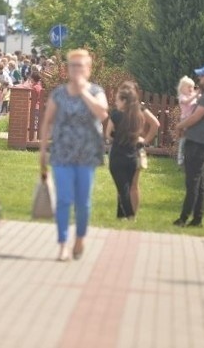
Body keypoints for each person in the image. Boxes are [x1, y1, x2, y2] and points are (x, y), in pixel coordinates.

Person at [39, 49, 109, 261]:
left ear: (88, 69)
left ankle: (79, 238)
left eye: (80, 66)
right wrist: (42, 150)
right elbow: (47, 122)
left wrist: (83, 92)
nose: (76, 69)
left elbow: (102, 113)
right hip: (62, 153)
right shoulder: (59, 93)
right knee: (63, 200)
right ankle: (62, 244)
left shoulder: (96, 91)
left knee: (83, 202)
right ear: (68, 69)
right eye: (73, 66)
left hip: (86, 155)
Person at [174, 64, 204, 228]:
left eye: (202, 76)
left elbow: (196, 117)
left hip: (197, 143)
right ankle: (197, 219)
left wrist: (180, 126)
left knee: (192, 182)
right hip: (197, 140)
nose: (200, 78)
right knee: (199, 183)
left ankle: (184, 218)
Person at [105, 81, 160, 220]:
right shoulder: (139, 109)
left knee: (126, 185)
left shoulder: (127, 111)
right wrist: (145, 140)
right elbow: (155, 124)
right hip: (134, 151)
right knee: (132, 185)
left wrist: (145, 140)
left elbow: (108, 134)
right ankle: (128, 215)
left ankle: (128, 215)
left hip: (123, 151)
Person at [176, 76, 199, 167]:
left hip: (193, 121)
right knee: (184, 140)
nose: (191, 89)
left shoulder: (192, 96)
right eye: (188, 87)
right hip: (185, 121)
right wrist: (196, 95)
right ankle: (180, 159)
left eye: (192, 87)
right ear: (182, 89)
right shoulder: (182, 97)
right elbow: (187, 102)